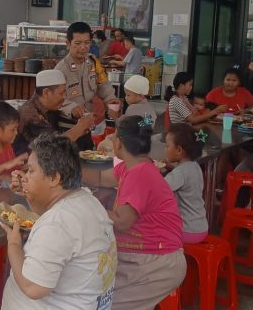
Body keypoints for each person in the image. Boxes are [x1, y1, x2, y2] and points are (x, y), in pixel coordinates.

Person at [3, 133, 117, 309]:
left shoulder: (58, 223)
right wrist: (31, 193)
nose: (25, 177)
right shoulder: (87, 200)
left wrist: (13, 244)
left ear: (54, 178)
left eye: (31, 171)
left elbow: (32, 287)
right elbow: (49, 212)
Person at [81, 116, 185, 309]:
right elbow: (100, 178)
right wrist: (66, 173)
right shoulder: (133, 167)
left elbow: (122, 222)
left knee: (100, 303)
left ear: (119, 143)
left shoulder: (140, 173)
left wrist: (87, 204)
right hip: (147, 256)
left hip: (156, 262)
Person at [56, 22, 122, 150]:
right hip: (68, 128)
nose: (83, 47)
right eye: (77, 43)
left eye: (87, 43)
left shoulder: (93, 62)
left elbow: (103, 84)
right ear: (68, 43)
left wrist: (111, 99)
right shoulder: (60, 69)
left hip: (88, 126)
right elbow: (55, 99)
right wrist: (71, 108)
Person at [13, 69, 94, 155]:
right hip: (28, 160)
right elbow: (53, 145)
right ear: (46, 93)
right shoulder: (30, 113)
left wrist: (77, 116)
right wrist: (80, 127)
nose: (64, 97)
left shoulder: (48, 106)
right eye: (61, 93)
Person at [163, 123, 209, 244]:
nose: (165, 150)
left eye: (167, 146)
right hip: (200, 227)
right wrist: (171, 168)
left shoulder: (180, 173)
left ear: (179, 150)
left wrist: (152, 171)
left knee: (153, 226)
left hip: (186, 231)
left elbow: (160, 187)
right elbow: (185, 178)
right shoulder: (194, 166)